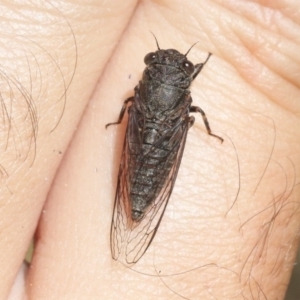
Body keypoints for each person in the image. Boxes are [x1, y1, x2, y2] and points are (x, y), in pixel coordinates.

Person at [2, 1, 300, 299]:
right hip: (162, 146)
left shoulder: (137, 94)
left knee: (133, 113)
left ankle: (137, 208)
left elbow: (126, 106)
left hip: (144, 139)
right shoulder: (185, 103)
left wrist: (120, 121)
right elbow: (195, 113)